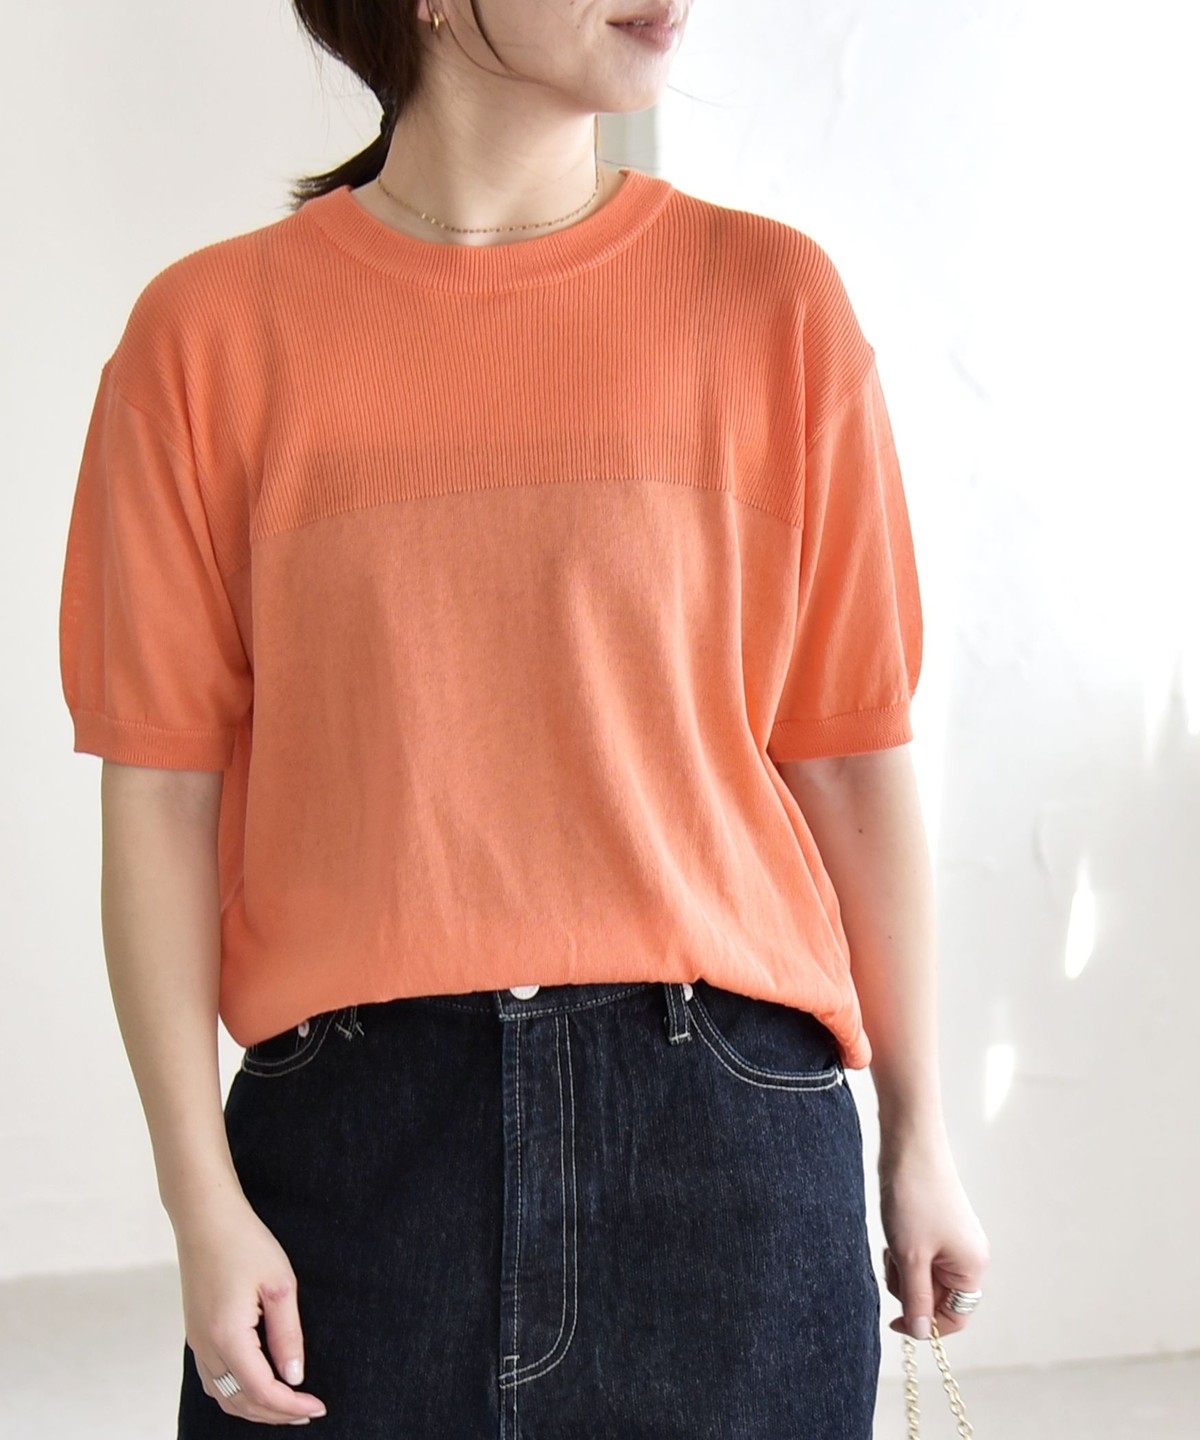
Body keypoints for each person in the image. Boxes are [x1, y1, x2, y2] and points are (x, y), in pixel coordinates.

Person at [57, 0, 990, 1434]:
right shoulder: (209, 337)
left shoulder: (773, 302)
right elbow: (160, 798)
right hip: (353, 1166)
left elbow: (852, 762)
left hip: (727, 1150)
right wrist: (199, 1198)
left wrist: (920, 1132)